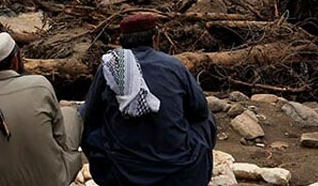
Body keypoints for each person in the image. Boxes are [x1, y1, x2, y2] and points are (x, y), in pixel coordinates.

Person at [81, 14, 216, 186]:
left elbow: (89, 115)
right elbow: (200, 110)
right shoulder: (174, 66)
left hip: (123, 173)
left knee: (85, 119)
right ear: (154, 38)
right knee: (206, 118)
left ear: (122, 41)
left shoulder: (109, 67)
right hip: (178, 173)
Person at [0, 33, 82, 186]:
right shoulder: (40, 84)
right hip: (53, 180)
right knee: (70, 113)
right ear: (15, 60)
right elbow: (60, 138)